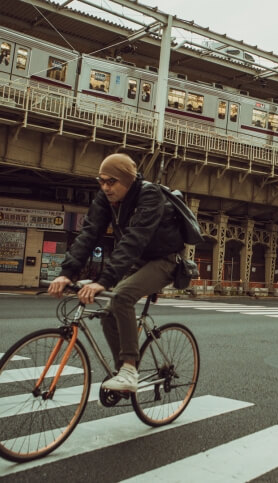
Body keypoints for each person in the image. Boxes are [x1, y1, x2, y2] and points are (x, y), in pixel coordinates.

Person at [48, 153, 185, 392]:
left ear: (128, 180)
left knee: (121, 296)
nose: (105, 187)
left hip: (164, 260)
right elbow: (89, 233)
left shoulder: (149, 194)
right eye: (101, 181)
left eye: (111, 181)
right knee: (108, 314)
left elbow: (134, 239)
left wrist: (104, 281)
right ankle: (122, 369)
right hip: (136, 261)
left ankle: (129, 370)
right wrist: (67, 273)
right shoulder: (105, 199)